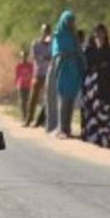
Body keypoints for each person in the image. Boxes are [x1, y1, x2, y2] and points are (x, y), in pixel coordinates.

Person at [82, 24, 110, 149]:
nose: (99, 36)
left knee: (108, 114)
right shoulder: (89, 51)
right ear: (93, 36)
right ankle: (94, 138)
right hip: (92, 90)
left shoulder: (109, 51)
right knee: (93, 114)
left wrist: (102, 67)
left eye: (102, 33)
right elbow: (87, 68)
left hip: (107, 89)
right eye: (97, 34)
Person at [48, 11, 85, 139]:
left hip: (73, 71)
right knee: (63, 100)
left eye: (72, 21)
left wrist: (76, 52)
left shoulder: (73, 35)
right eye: (68, 21)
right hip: (63, 70)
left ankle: (67, 128)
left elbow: (79, 50)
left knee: (71, 101)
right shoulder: (58, 35)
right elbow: (57, 52)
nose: (70, 23)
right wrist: (67, 53)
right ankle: (62, 128)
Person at [14, 47, 34, 123]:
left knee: (28, 101)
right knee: (22, 102)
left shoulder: (30, 66)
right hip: (21, 85)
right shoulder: (19, 66)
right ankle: (23, 117)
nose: (24, 58)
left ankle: (28, 117)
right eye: (22, 56)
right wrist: (16, 84)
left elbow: (33, 75)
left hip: (28, 86)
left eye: (25, 56)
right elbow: (17, 76)